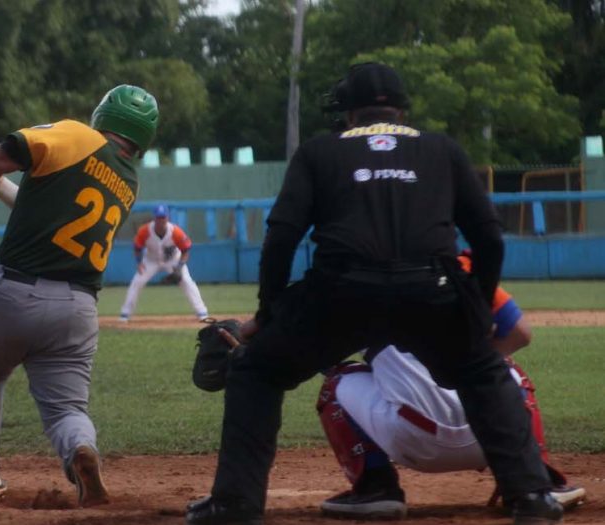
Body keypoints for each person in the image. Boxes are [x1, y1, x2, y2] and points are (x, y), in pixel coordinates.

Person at [185, 63, 563, 525]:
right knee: (484, 371)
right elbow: (489, 237)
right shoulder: (441, 149)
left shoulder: (318, 152)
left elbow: (281, 237)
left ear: (348, 114)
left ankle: (236, 505)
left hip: (341, 291)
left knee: (256, 373)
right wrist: (477, 308)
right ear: (402, 111)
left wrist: (269, 313)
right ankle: (532, 496)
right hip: (432, 289)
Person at [0, 85, 158, 506]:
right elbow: (44, 209)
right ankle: (81, 450)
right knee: (67, 411)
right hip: (77, 308)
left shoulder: (78, 136)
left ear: (103, 116)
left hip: (12, 295)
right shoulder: (127, 179)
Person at [315, 253, 586, 520]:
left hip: (411, 442)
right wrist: (474, 365)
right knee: (506, 370)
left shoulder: (354, 280)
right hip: (494, 435)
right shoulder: (458, 266)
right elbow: (521, 334)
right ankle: (534, 480)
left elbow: (321, 356)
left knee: (337, 380)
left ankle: (376, 488)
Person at [119, 204, 208, 322]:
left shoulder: (176, 232)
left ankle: (202, 312)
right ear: (154, 218)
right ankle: (125, 313)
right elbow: (137, 248)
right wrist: (139, 262)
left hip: (173, 261)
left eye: (163, 217)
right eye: (158, 217)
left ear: (167, 218)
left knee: (187, 281)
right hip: (150, 261)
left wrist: (179, 267)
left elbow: (185, 250)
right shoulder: (145, 231)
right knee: (137, 281)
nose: (161, 220)